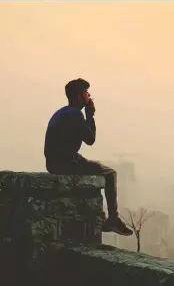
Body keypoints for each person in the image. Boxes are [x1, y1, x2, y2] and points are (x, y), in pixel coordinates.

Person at [44, 78, 133, 236]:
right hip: (65, 163)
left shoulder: (62, 112)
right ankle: (113, 218)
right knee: (110, 174)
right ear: (79, 96)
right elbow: (90, 139)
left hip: (57, 161)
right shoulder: (74, 114)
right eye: (86, 92)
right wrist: (90, 115)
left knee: (95, 165)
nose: (89, 95)